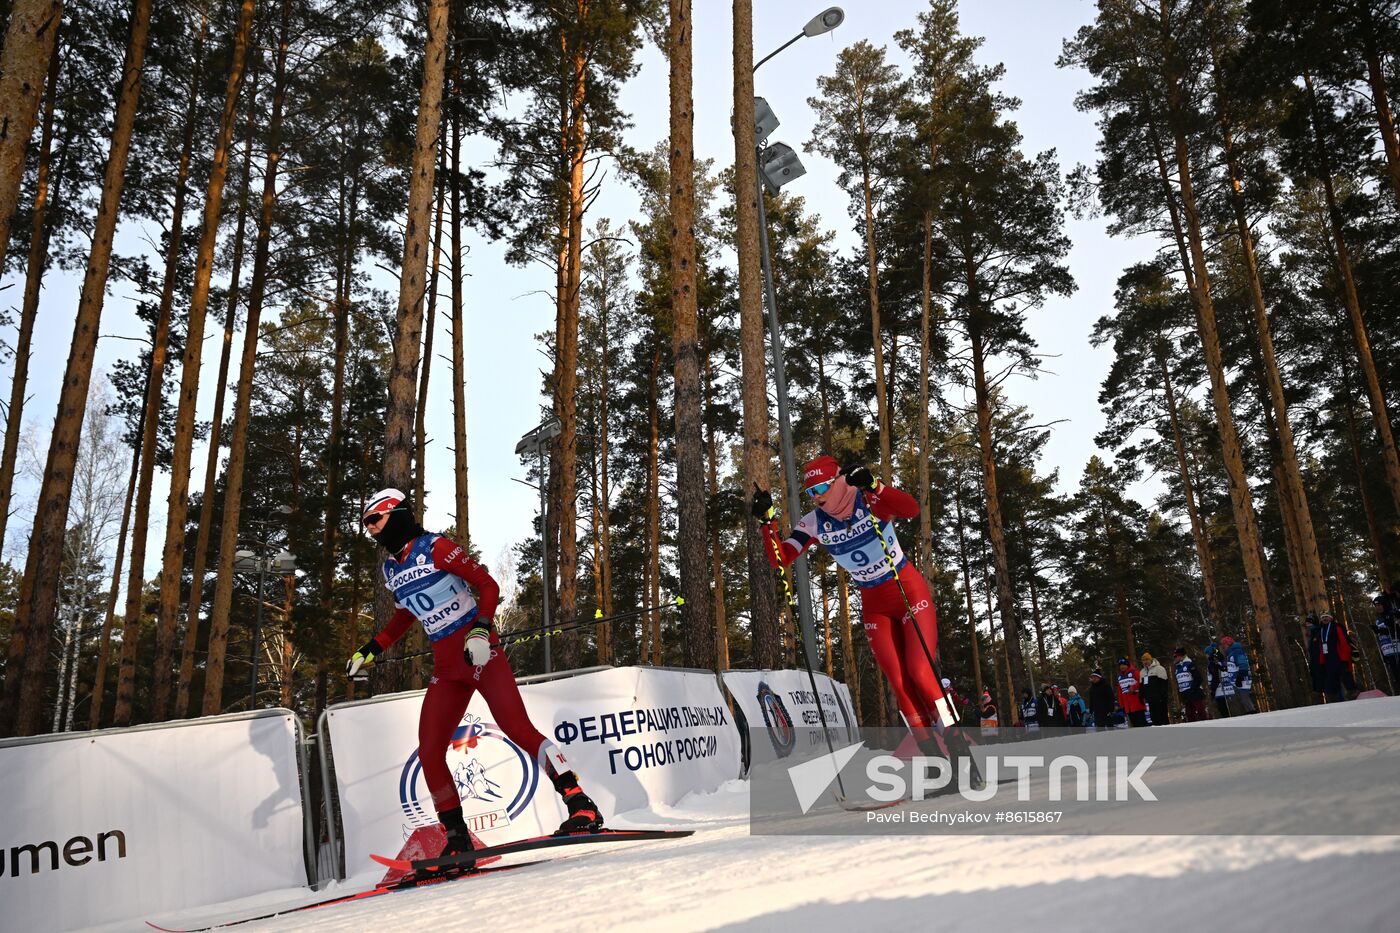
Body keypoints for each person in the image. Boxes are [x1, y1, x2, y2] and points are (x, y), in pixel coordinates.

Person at [349, 488, 603, 862]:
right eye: (365, 524)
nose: (370, 530)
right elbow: (406, 614)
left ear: (396, 513)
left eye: (374, 520)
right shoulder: (391, 568)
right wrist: (373, 647)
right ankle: (457, 837)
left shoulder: (434, 547)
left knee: (517, 728)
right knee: (430, 752)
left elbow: (488, 584)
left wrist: (482, 628)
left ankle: (581, 804)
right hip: (447, 669)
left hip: (479, 654)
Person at [753, 458, 978, 772]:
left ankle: (958, 748)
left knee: (920, 671)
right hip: (874, 603)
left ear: (839, 480)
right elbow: (782, 558)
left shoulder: (866, 499)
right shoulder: (814, 522)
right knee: (899, 684)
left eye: (821, 487)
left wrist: (875, 485)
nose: (817, 496)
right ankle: (935, 762)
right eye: (810, 492)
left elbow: (911, 509)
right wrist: (768, 522)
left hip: (907, 591)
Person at [1307, 612, 1355, 703]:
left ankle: (1353, 693)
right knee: (1330, 680)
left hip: (1339, 657)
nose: (1325, 619)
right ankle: (1334, 701)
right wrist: (1322, 660)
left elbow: (1344, 642)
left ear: (1331, 618)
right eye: (1323, 617)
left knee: (1346, 676)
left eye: (1327, 617)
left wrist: (1345, 656)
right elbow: (1320, 647)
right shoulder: (1320, 630)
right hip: (1327, 659)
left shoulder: (1336, 627)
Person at [1220, 635, 1256, 714]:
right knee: (1242, 700)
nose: (1223, 647)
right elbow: (1233, 666)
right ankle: (1249, 714)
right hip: (1237, 680)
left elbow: (1243, 665)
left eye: (1224, 645)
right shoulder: (1231, 653)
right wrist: (1225, 668)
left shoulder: (1237, 651)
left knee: (1245, 699)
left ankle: (1253, 714)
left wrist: (1240, 678)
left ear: (1228, 644)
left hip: (1242, 679)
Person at [1172, 647, 1208, 722]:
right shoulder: (1177, 668)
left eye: (1176, 656)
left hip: (1195, 693)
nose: (1174, 658)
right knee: (1189, 714)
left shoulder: (1189, 664)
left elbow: (1198, 678)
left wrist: (1193, 689)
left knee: (1201, 711)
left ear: (1181, 656)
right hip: (1186, 695)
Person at [1372, 596, 1400, 693]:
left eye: (1379, 605)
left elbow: (1396, 631)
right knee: (1396, 675)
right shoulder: (1378, 620)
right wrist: (1384, 654)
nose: (1378, 607)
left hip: (1397, 648)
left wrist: (1384, 630)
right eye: (1376, 606)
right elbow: (1381, 638)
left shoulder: (1393, 614)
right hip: (1388, 650)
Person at [1115, 657, 1148, 727]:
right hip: (1128, 707)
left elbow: (1142, 682)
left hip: (1137, 704)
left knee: (1142, 725)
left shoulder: (1134, 672)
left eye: (1123, 665)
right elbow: (1120, 692)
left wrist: (1133, 687)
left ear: (1127, 665)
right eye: (1120, 665)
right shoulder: (1120, 677)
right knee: (1135, 726)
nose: (1122, 667)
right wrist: (1122, 705)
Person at [1141, 651, 1171, 725]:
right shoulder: (1142, 672)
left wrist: (1163, 696)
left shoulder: (1159, 668)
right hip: (1150, 699)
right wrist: (1141, 696)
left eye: (1147, 660)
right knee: (1154, 718)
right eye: (1143, 660)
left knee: (1163, 718)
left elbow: (1164, 684)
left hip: (1160, 699)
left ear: (1151, 660)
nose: (1145, 662)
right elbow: (1141, 686)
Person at [1206, 642, 1233, 718]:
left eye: (1207, 653)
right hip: (1223, 687)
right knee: (1223, 706)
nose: (1206, 655)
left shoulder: (1213, 662)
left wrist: (1213, 690)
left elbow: (1215, 677)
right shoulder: (1218, 657)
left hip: (1220, 689)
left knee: (1222, 706)